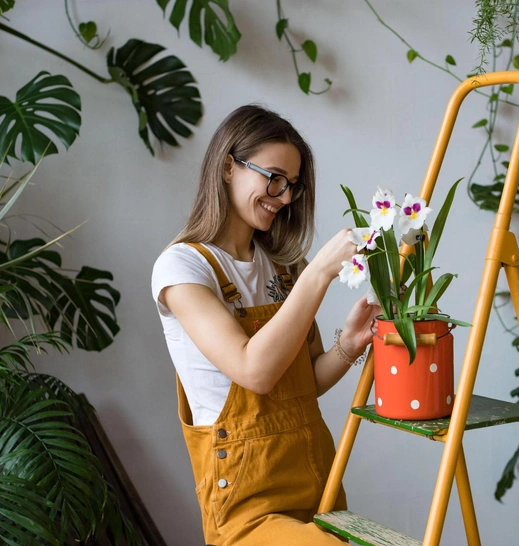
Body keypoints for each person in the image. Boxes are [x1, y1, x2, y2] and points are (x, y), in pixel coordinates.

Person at [151, 104, 377, 545]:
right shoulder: (181, 267)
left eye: (292, 185)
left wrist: (348, 345)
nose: (285, 196)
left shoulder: (284, 267)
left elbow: (302, 383)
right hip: (247, 502)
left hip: (315, 476)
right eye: (274, 178)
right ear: (228, 167)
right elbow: (254, 371)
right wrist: (319, 274)